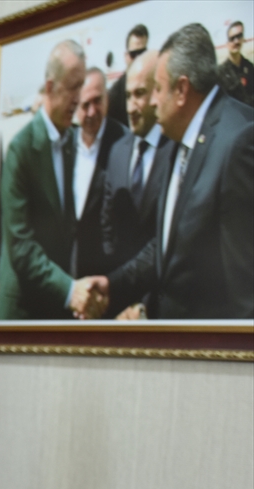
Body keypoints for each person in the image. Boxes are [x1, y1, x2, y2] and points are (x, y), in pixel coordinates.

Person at [101, 23, 254, 319]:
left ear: (182, 90)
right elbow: (170, 244)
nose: (152, 101)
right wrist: (112, 286)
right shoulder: (180, 139)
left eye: (158, 89)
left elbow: (246, 289)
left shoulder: (238, 143)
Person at [0, 40, 106, 320]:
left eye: (81, 87)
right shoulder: (21, 150)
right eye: (72, 88)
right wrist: (69, 290)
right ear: (50, 87)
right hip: (22, 312)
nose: (78, 98)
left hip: (55, 308)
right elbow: (20, 247)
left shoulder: (69, 143)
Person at [98, 50, 174, 318]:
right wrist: (120, 298)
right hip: (120, 301)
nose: (131, 107)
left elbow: (172, 242)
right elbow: (107, 229)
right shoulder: (118, 151)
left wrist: (144, 303)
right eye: (128, 96)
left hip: (161, 303)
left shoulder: (176, 150)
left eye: (140, 94)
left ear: (158, 91)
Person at [69, 67, 127, 278]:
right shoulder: (65, 143)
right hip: (69, 272)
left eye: (97, 101)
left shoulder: (123, 143)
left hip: (107, 273)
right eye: (85, 105)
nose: (92, 112)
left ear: (107, 99)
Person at [107, 24, 149, 129]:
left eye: (142, 53)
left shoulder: (154, 86)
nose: (138, 58)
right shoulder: (114, 96)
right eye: (134, 54)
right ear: (126, 56)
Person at [219, 21, 254, 108]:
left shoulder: (250, 68)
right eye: (232, 38)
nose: (236, 41)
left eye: (239, 36)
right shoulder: (221, 73)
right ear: (227, 43)